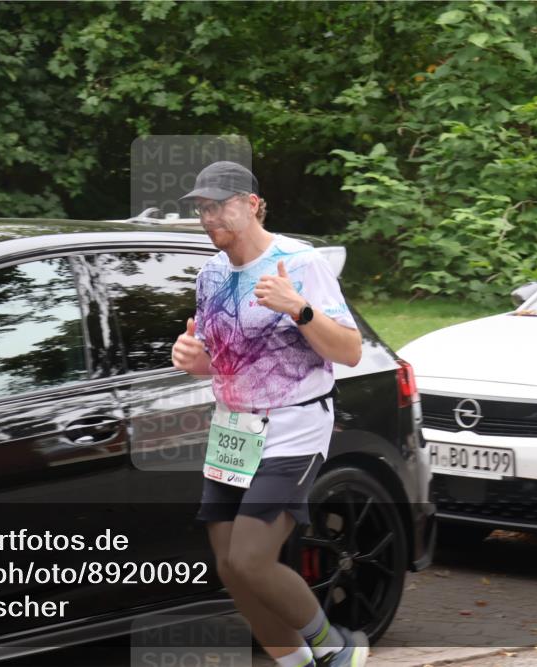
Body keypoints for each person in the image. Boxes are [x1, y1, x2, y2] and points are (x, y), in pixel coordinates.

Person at [172, 161, 369, 667]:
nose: (208, 216)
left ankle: (335, 647)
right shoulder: (211, 275)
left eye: (219, 205)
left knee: (251, 558)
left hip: (293, 426)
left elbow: (349, 351)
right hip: (234, 429)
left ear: (253, 205)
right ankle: (297, 663)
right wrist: (199, 363)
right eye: (202, 207)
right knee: (230, 568)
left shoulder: (299, 263)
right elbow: (228, 364)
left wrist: (299, 309)